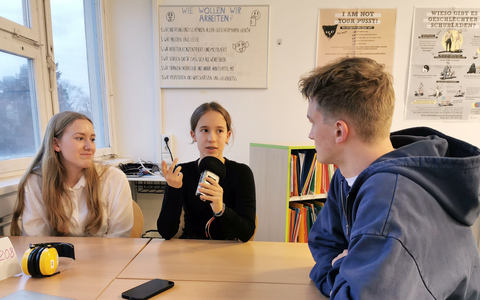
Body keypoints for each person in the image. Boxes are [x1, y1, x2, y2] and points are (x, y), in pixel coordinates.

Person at [298, 57, 480, 299]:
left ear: (339, 131)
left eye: (312, 123)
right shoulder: (347, 177)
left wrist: (340, 268)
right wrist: (342, 271)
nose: (310, 134)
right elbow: (324, 242)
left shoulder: (390, 199)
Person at [11, 111, 133, 237]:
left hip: (106, 256)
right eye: (80, 138)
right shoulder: (34, 182)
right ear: (56, 144)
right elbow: (36, 240)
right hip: (56, 257)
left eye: (92, 139)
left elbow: (119, 238)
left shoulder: (114, 178)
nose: (89, 147)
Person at [157, 102, 256, 242]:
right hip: (189, 249)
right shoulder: (181, 173)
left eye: (219, 131)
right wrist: (173, 190)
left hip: (228, 250)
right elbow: (166, 232)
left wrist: (221, 209)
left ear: (228, 136)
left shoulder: (241, 173)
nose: (212, 139)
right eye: (204, 130)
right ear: (193, 135)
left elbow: (246, 233)